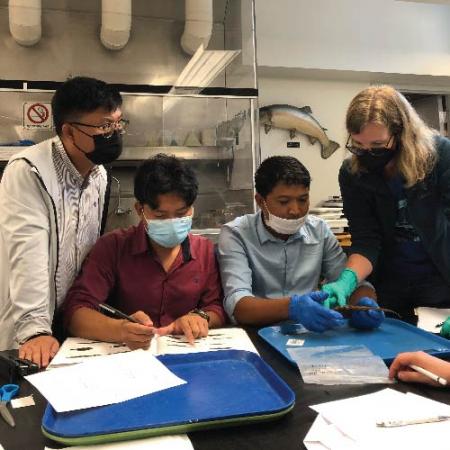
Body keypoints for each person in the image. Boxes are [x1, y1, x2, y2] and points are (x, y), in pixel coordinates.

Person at [0, 76, 125, 366]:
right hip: (29, 327)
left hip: (71, 320)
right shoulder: (29, 171)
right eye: (105, 126)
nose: (115, 133)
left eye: (118, 123)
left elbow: (90, 253)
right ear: (69, 131)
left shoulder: (99, 173)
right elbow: (26, 253)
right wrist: (34, 330)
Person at [62, 154, 226, 348]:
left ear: (192, 208)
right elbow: (75, 312)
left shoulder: (204, 250)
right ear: (140, 210)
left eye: (181, 214)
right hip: (128, 358)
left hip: (185, 352)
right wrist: (120, 329)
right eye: (160, 215)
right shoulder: (113, 247)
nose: (172, 223)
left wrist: (200, 317)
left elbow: (215, 307)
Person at [323, 85, 450, 325]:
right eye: (359, 146)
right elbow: (366, 240)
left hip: (441, 283)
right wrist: (347, 280)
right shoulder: (353, 174)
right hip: (392, 286)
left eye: (378, 146)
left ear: (401, 133)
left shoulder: (441, 157)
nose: (368, 153)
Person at [218, 155, 382, 332]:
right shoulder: (236, 234)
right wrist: (292, 307)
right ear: (260, 202)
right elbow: (239, 306)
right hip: (256, 334)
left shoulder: (319, 230)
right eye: (283, 202)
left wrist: (366, 306)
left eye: (303, 200)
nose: (295, 210)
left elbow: (352, 284)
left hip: (309, 333)